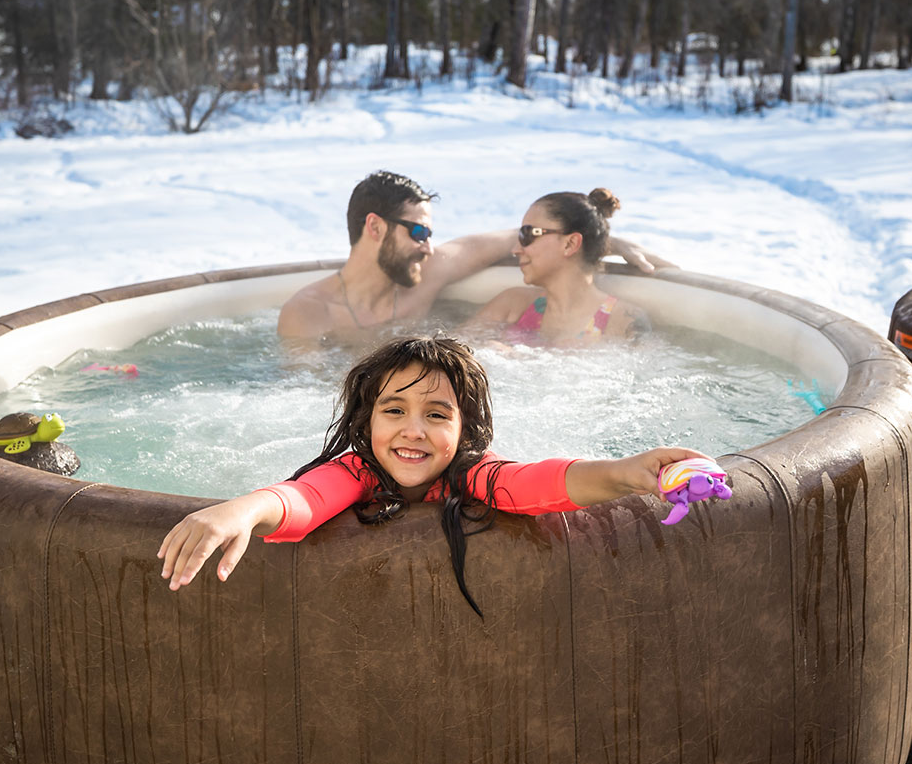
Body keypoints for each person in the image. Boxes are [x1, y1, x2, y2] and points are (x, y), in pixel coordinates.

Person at [156, 336, 709, 615]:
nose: (412, 431)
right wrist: (243, 510)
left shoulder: (473, 475)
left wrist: (630, 473)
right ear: (365, 422)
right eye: (393, 411)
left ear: (464, 428)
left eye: (436, 414)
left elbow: (538, 484)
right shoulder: (357, 470)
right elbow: (305, 498)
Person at [277, 171, 669, 342]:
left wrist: (607, 242)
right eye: (418, 232)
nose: (429, 247)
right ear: (375, 228)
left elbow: (500, 241)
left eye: (430, 235)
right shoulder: (309, 313)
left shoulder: (425, 276)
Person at [466, 188, 649, 344]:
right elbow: (447, 358)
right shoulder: (512, 304)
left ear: (570, 244)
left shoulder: (623, 320)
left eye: (527, 234)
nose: (516, 249)